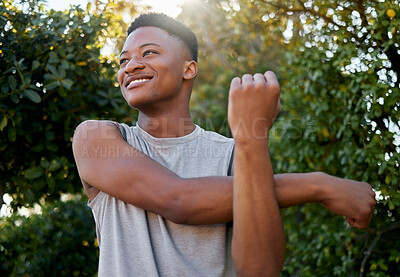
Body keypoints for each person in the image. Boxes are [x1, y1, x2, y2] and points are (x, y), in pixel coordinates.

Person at [72, 13, 376, 276]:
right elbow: (178, 200)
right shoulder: (97, 138)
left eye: (148, 53)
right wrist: (317, 186)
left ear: (188, 69)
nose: (130, 66)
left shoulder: (237, 153)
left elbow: (260, 271)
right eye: (123, 60)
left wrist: (252, 139)